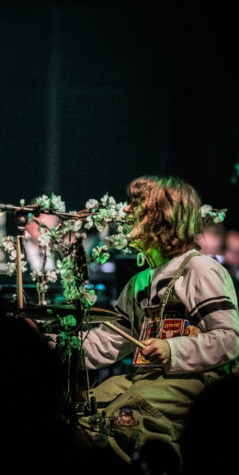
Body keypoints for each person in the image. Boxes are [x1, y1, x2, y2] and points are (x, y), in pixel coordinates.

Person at [73, 176, 239, 462]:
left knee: (120, 418)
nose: (125, 211)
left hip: (194, 381)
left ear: (163, 216)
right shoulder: (140, 282)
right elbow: (109, 340)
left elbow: (229, 339)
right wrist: (50, 347)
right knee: (84, 409)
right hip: (145, 378)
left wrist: (173, 349)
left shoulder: (199, 268)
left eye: (135, 204)